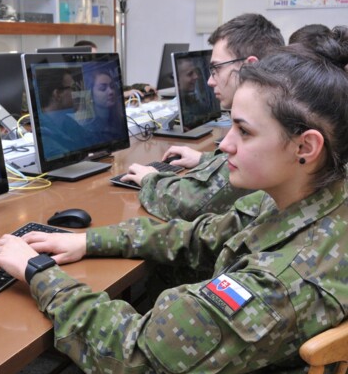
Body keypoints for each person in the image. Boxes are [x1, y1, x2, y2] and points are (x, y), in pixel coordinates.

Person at [0, 43, 348, 374]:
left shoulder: (279, 284)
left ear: (305, 147)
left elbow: (132, 353)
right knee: (93, 360)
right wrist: (89, 240)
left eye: (244, 131)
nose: (225, 144)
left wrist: (38, 272)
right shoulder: (316, 196)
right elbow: (200, 235)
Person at [122, 13, 285, 221]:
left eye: (216, 69)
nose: (209, 81)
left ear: (250, 67)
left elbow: (188, 204)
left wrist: (150, 178)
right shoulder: (280, 108)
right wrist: (203, 159)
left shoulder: (267, 125)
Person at [34, 67, 92, 159]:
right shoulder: (43, 132)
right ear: (57, 94)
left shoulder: (67, 122)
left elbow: (95, 142)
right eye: (74, 88)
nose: (78, 93)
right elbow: (68, 159)